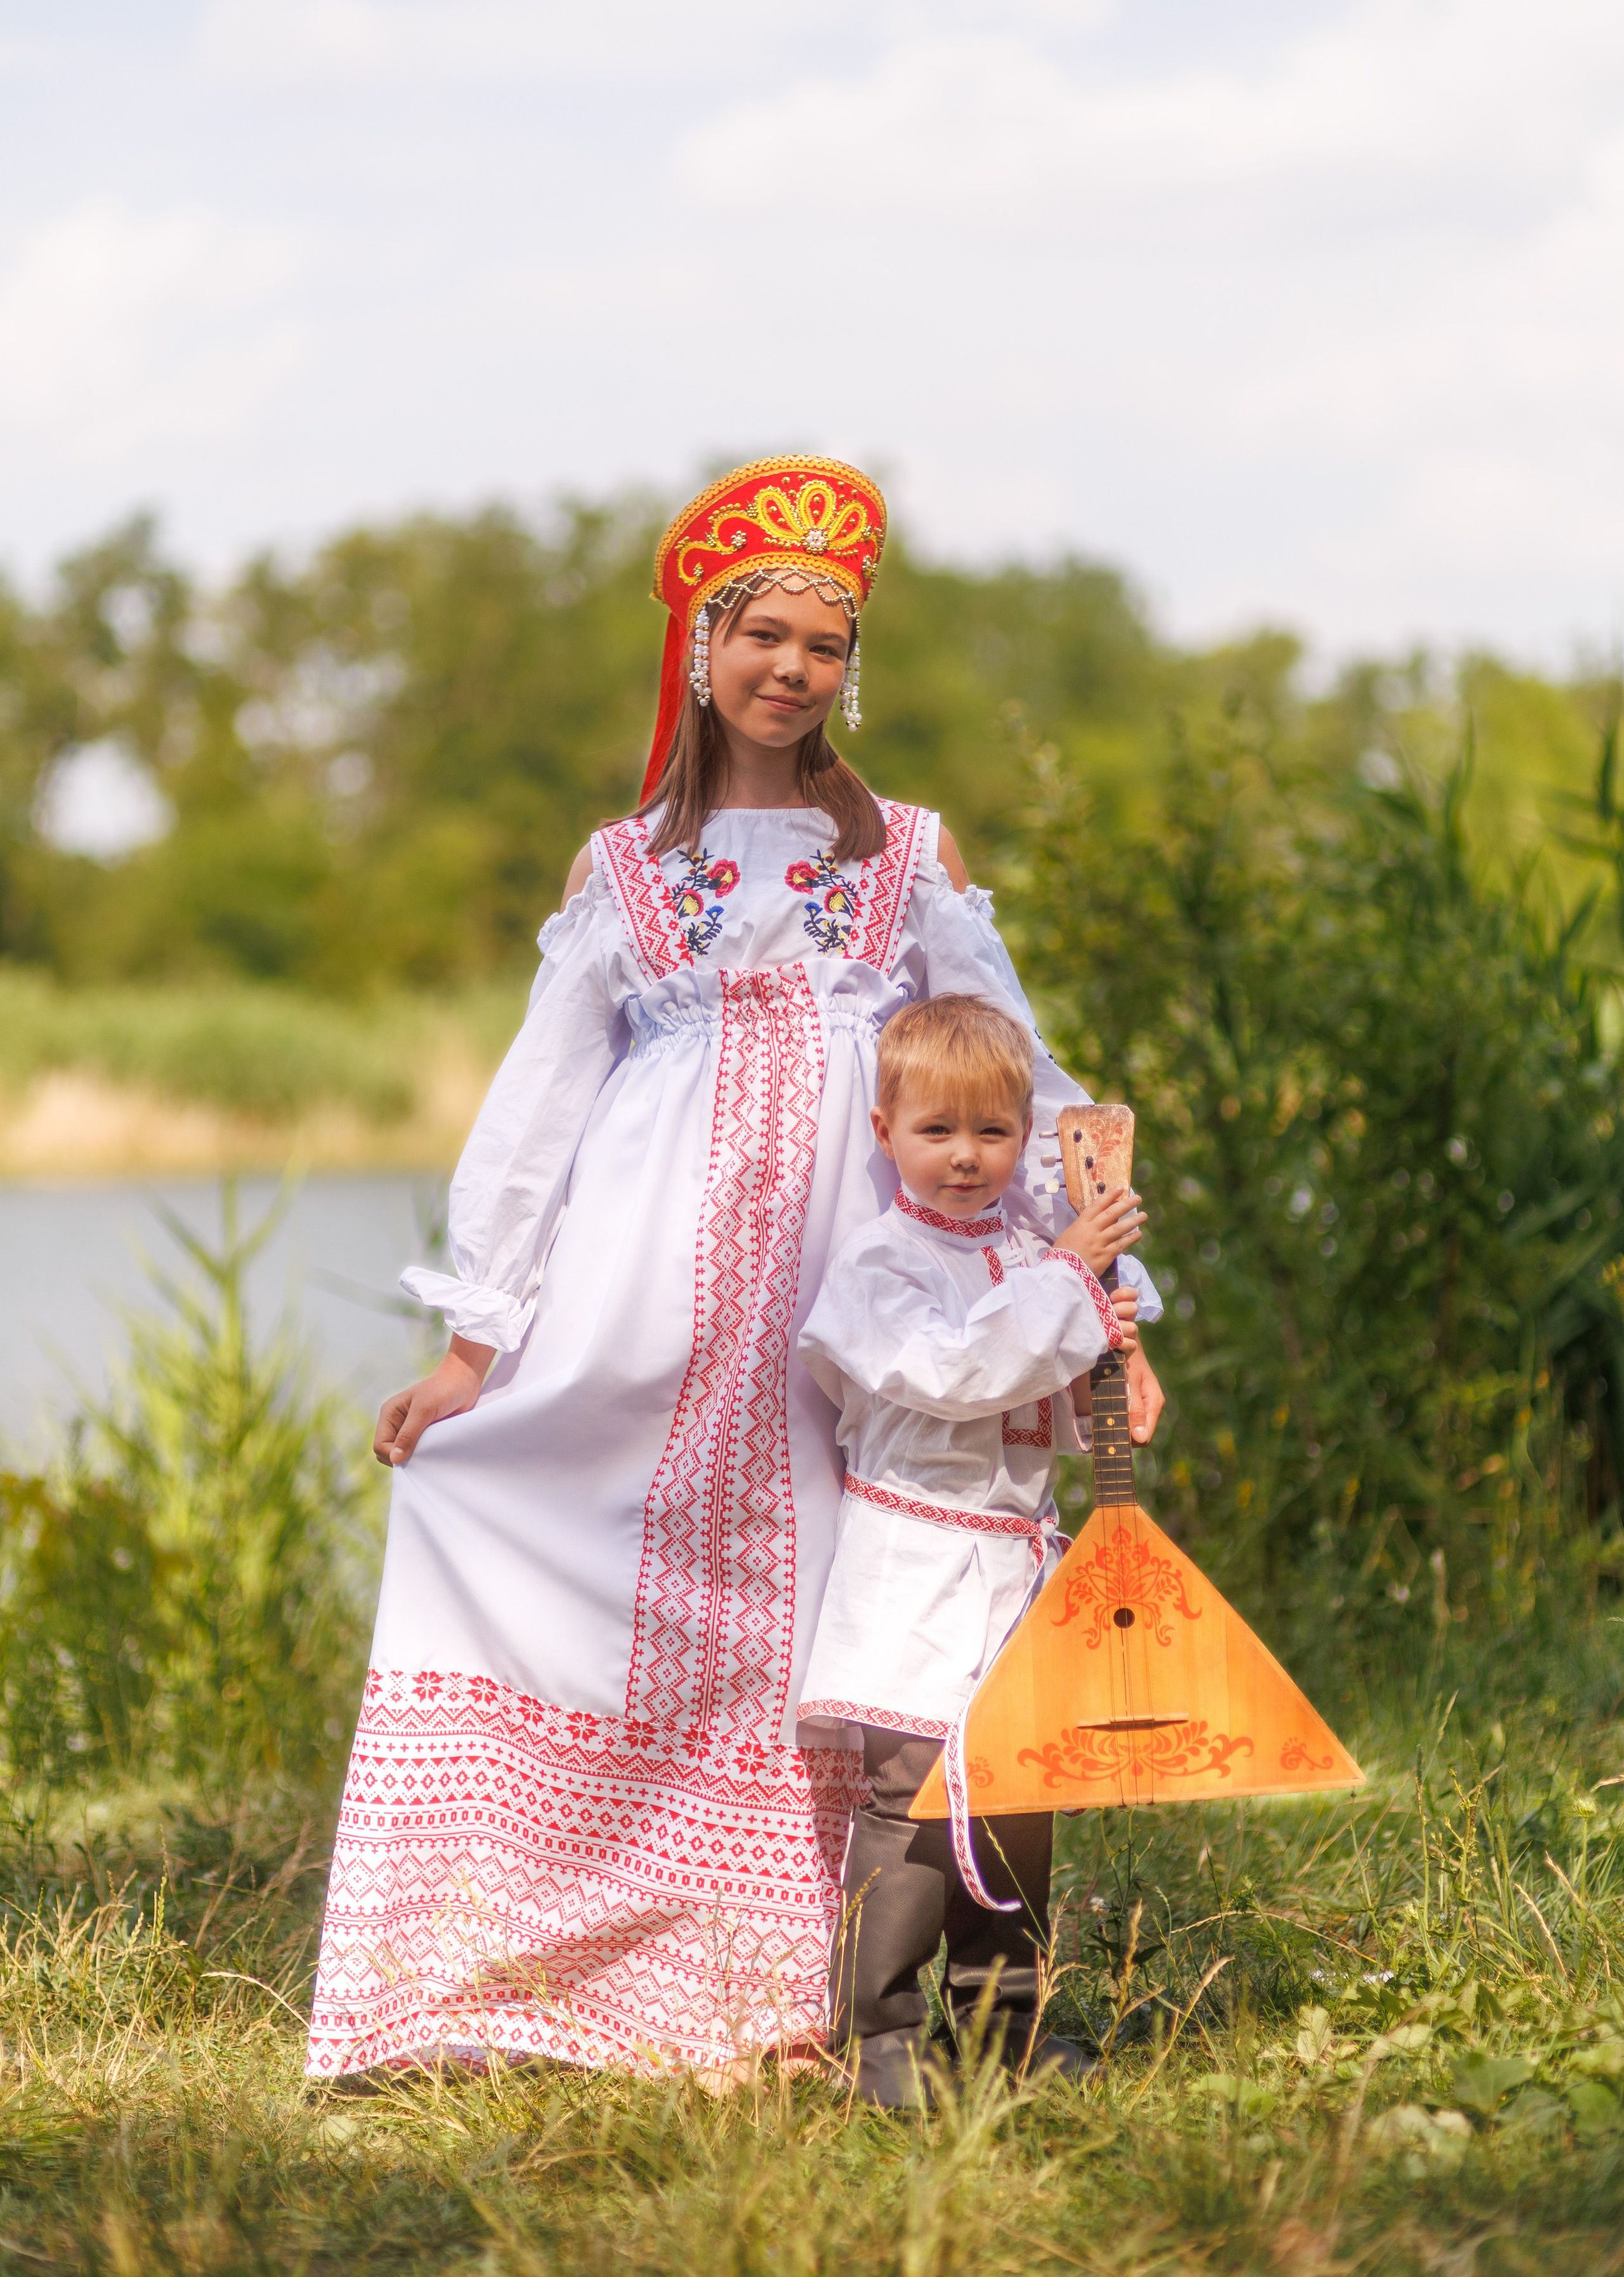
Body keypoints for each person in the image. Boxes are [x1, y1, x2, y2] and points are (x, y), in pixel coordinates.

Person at [304, 456, 1165, 2083]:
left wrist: (1097, 1296)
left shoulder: (905, 852)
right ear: (700, 653)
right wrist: (475, 1348)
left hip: (855, 1289)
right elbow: (538, 1111)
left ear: (852, 669)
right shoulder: (621, 867)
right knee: (606, 1558)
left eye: (822, 647)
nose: (790, 670)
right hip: (656, 1290)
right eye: (760, 636)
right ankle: (549, 1956)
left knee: (852, 1590)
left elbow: (1016, 1076)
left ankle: (836, 1994)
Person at [797, 994, 1155, 2105]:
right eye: (937, 1131)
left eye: (993, 1134)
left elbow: (1034, 1405)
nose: (965, 1158)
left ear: (1022, 1136)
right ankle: (883, 2038)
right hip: (914, 1561)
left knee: (1014, 1791)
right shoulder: (879, 1264)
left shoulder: (1025, 1252)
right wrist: (1064, 1285)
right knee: (909, 1794)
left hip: (1014, 1562)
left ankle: (1005, 2023)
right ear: (885, 1133)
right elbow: (950, 1374)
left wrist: (1114, 1353)